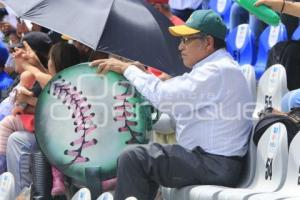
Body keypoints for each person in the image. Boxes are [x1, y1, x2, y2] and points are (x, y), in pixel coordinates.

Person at [91, 9, 253, 200]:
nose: (180, 47)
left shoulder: (217, 70)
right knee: (143, 156)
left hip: (214, 165)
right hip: (210, 162)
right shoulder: (214, 69)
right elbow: (173, 108)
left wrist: (129, 70)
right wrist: (144, 76)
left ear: (208, 42)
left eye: (186, 40)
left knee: (135, 158)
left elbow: (165, 98)